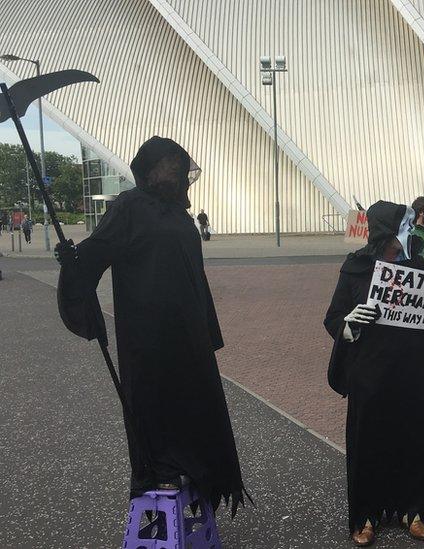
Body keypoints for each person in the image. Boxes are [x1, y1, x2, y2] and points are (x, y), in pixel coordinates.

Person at [55, 136, 249, 513]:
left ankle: (197, 466)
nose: (173, 171)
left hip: (188, 328)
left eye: (178, 165)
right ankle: (160, 467)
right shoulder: (128, 207)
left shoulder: (179, 213)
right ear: (146, 168)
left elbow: (196, 274)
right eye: (165, 164)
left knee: (193, 396)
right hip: (148, 330)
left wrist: (207, 327)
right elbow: (100, 249)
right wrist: (75, 258)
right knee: (155, 396)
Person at [324, 200, 424, 547]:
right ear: (386, 231)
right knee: (368, 441)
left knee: (414, 439)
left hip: (412, 373)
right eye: (403, 226)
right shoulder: (356, 268)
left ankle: (414, 511)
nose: (410, 231)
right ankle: (366, 515)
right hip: (370, 375)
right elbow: (335, 317)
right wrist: (350, 323)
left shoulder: (422, 268)